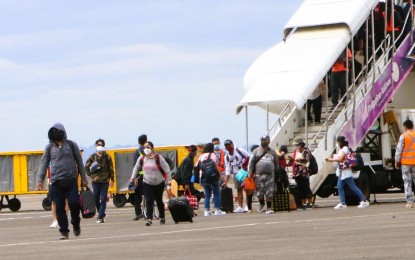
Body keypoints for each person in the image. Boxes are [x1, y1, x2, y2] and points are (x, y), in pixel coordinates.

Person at [36, 123, 88, 240]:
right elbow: (44, 164)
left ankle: (76, 223)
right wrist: (40, 180)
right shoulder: (49, 147)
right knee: (59, 207)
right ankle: (64, 231)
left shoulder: (71, 145)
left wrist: (84, 179)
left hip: (71, 181)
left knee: (74, 203)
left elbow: (79, 162)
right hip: (56, 183)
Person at [131, 141, 171, 226]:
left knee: (159, 201)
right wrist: (133, 177)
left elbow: (167, 169)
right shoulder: (142, 159)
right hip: (147, 182)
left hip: (159, 183)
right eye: (144, 147)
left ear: (152, 148)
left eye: (148, 147)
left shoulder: (158, 158)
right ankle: (149, 219)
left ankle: (162, 217)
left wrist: (169, 180)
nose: (146, 149)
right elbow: (136, 168)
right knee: (149, 200)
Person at [326, 136, 370, 209]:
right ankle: (343, 203)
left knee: (352, 187)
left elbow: (340, 159)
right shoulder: (344, 149)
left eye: (337, 142)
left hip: (345, 171)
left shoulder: (345, 149)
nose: (337, 143)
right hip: (342, 171)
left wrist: (331, 159)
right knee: (340, 187)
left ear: (340, 142)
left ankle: (364, 201)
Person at [85, 139, 114, 223]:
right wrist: (91, 175)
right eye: (98, 144)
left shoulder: (107, 157)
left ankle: (100, 216)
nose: (99, 146)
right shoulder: (92, 157)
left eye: (101, 145)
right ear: (96, 146)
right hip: (95, 181)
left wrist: (112, 179)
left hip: (105, 181)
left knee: (103, 198)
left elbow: (111, 169)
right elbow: (86, 167)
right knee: (95, 198)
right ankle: (101, 212)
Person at [248, 136, 279, 214]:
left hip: (270, 175)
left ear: (269, 141)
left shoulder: (272, 152)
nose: (264, 142)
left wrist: (276, 173)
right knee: (260, 192)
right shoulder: (255, 151)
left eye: (265, 140)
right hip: (259, 175)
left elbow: (276, 163)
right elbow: (251, 163)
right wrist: (250, 174)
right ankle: (261, 203)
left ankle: (269, 207)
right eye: (262, 140)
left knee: (270, 191)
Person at [196, 143, 226, 217]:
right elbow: (216, 165)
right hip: (212, 177)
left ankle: (206, 211)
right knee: (216, 193)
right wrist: (220, 175)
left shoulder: (201, 156)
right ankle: (217, 210)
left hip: (203, 177)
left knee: (207, 194)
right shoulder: (212, 155)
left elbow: (197, 166)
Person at [222, 139, 250, 213]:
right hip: (236, 174)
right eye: (227, 147)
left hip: (244, 172)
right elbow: (228, 168)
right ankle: (240, 206)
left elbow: (249, 157)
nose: (229, 147)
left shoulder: (239, 150)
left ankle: (248, 205)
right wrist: (226, 181)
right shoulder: (227, 156)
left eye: (230, 146)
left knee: (247, 189)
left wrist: (247, 167)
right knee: (239, 189)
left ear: (232, 145)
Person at [289, 137, 314, 210]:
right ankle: (303, 203)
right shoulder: (296, 151)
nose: (296, 146)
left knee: (306, 187)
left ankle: (309, 203)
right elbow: (294, 161)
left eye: (297, 144)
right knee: (300, 188)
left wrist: (294, 159)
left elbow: (305, 161)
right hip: (297, 173)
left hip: (304, 172)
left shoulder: (306, 151)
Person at [395, 120, 415, 208]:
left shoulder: (403, 136)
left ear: (405, 127)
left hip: (406, 164)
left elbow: (399, 150)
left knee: (407, 183)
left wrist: (397, 161)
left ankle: (410, 202)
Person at [132, 134, 147, 221]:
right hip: (147, 177)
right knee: (148, 195)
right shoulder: (148, 151)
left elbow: (135, 166)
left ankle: (138, 213)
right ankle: (148, 213)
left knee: (137, 196)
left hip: (138, 177)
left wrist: (135, 178)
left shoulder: (137, 152)